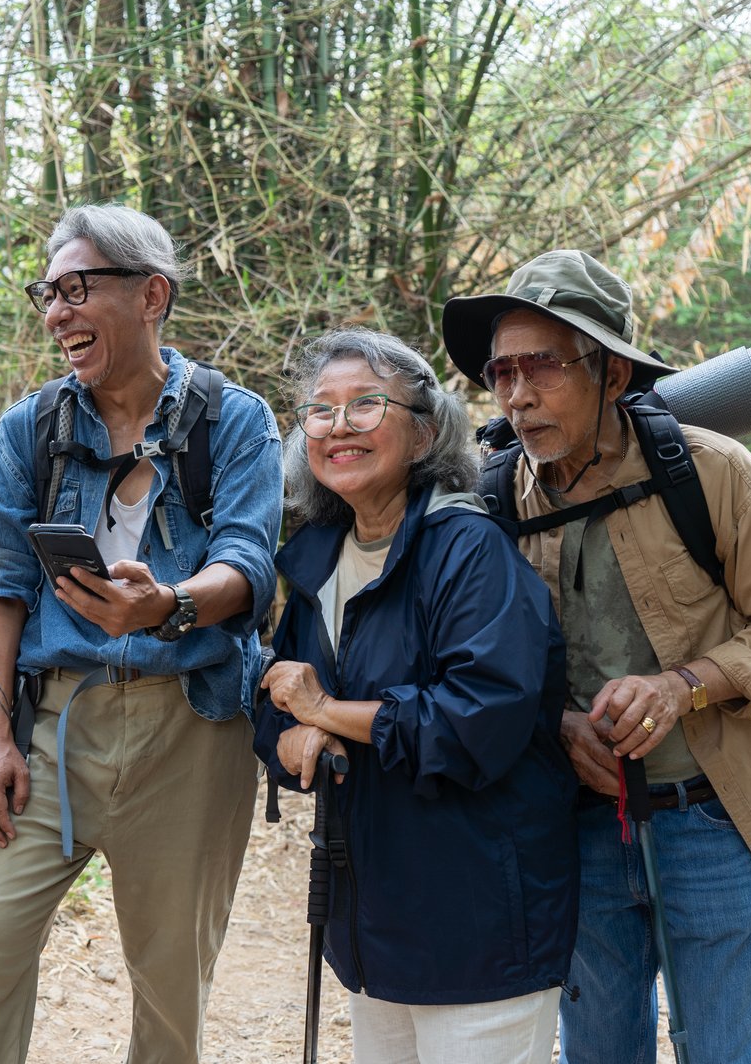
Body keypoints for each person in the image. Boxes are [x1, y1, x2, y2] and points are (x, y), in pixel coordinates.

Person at [441, 249, 751, 1063]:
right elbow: (474, 665)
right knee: (598, 1052)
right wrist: (555, 724)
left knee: (735, 1051)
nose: (517, 395)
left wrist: (681, 686)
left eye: (543, 366)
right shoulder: (492, 501)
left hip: (714, 816)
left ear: (612, 373)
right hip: (575, 824)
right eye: (503, 371)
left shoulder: (714, 473)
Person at [0, 204, 282, 1064]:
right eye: (48, 293)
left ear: (151, 295)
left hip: (191, 729)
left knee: (170, 982)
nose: (56, 313)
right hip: (57, 726)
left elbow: (248, 564)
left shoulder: (234, 420)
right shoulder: (31, 430)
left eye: (77, 289)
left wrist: (169, 605)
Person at [255, 328, 579, 1064]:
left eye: (366, 405)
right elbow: (277, 700)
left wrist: (327, 713)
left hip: (478, 921)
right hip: (372, 919)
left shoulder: (469, 550)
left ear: (425, 433)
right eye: (321, 410)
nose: (339, 426)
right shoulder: (315, 561)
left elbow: (478, 719)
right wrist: (296, 734)